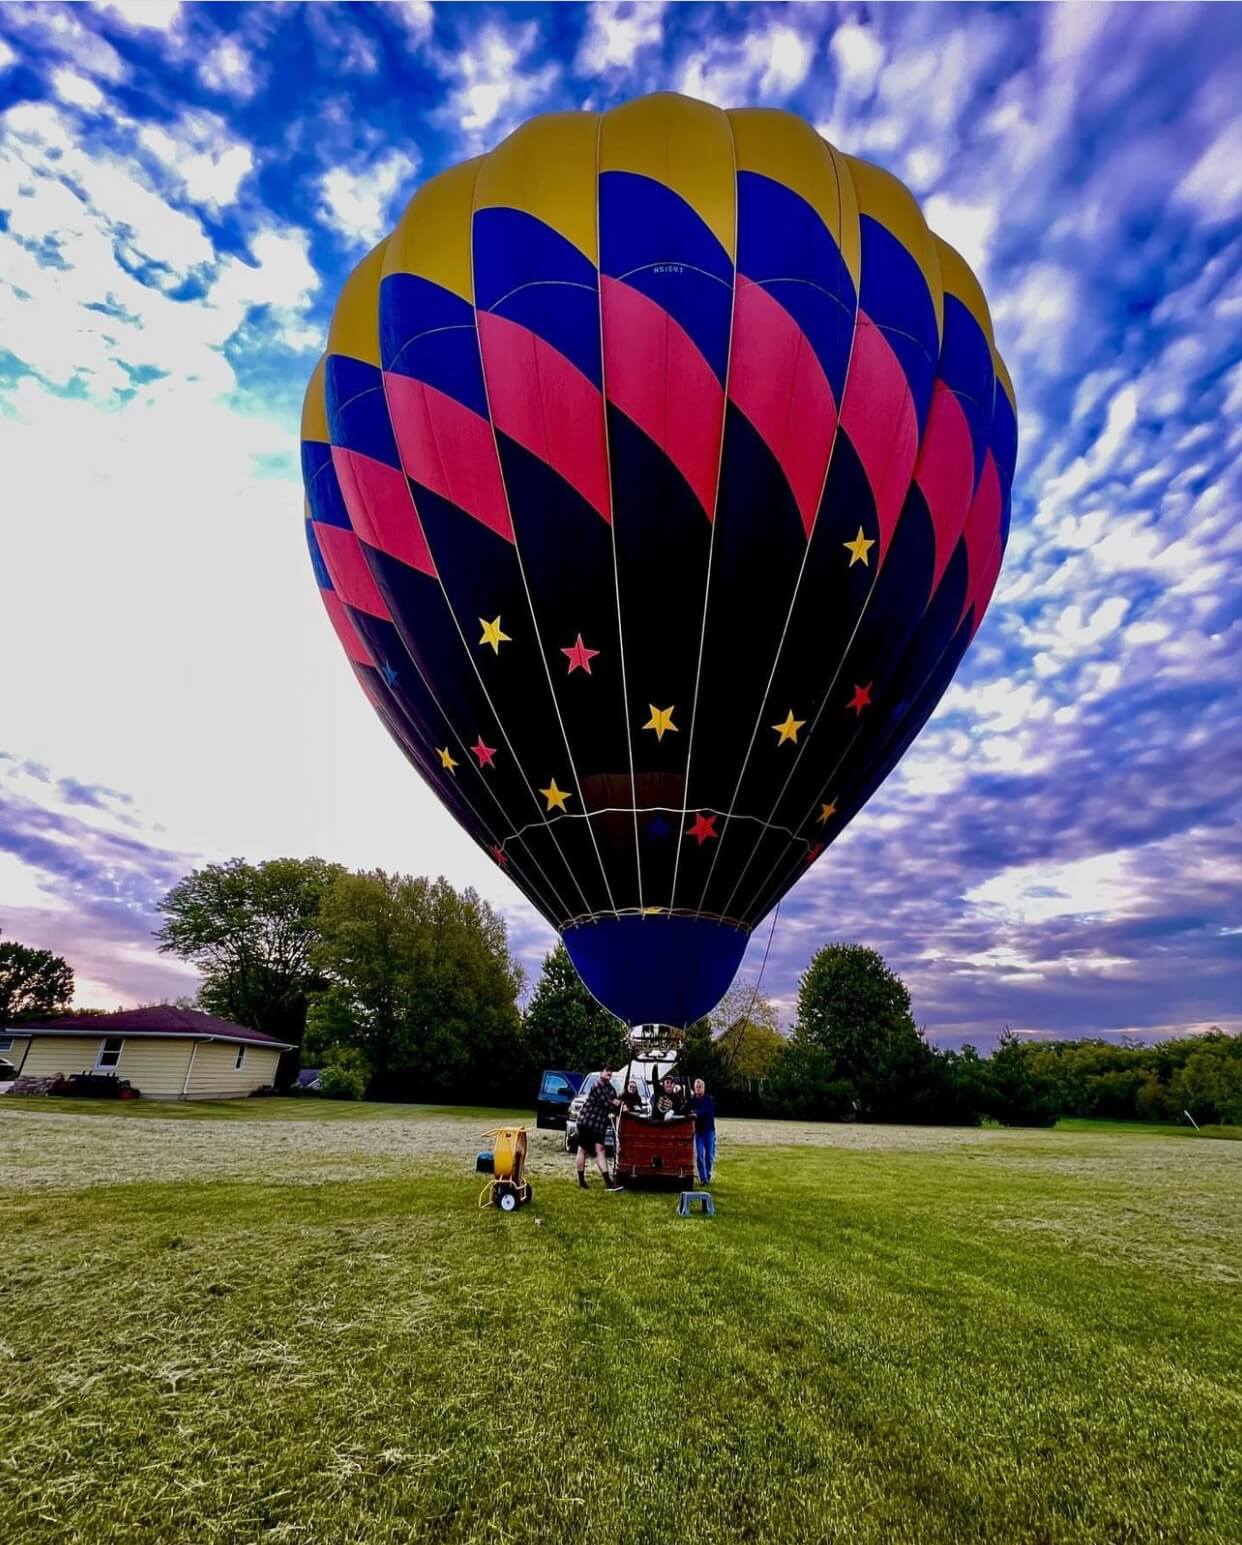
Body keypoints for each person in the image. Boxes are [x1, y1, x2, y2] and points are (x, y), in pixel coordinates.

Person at [575, 1067, 624, 1191]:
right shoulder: (597, 1085)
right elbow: (607, 1103)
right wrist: (615, 1102)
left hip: (599, 1124)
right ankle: (581, 1182)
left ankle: (608, 1182)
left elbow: (615, 1099)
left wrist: (617, 1101)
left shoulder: (610, 1087)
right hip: (587, 1122)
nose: (609, 1073)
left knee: (600, 1150)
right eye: (606, 1070)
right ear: (601, 1072)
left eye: (610, 1071)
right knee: (583, 1150)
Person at [691, 1077, 717, 1184]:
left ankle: (708, 1173)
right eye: (697, 1087)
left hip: (709, 1131)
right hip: (698, 1132)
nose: (698, 1089)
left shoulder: (709, 1100)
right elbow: (686, 1109)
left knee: (709, 1155)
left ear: (704, 1088)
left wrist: (695, 1113)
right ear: (694, 1088)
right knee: (700, 1156)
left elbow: (706, 1112)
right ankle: (703, 1178)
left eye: (700, 1087)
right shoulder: (692, 1100)